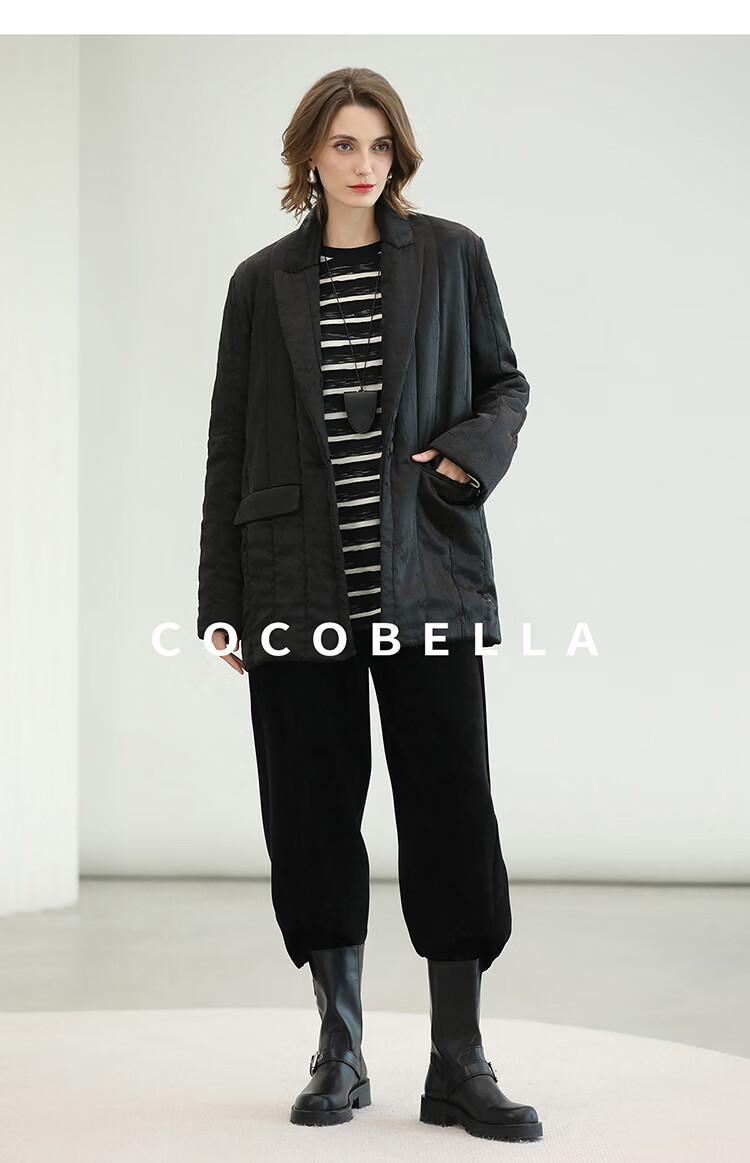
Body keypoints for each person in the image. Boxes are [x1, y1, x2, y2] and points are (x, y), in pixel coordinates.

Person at [197, 67, 542, 1143]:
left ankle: (458, 1061)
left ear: (399, 155)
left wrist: (464, 461)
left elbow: (505, 384)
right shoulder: (261, 282)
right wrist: (220, 596)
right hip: (292, 578)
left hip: (424, 571)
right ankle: (339, 1049)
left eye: (380, 145)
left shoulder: (450, 254)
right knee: (310, 814)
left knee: (450, 807)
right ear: (310, 153)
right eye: (345, 144)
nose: (364, 164)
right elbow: (228, 438)